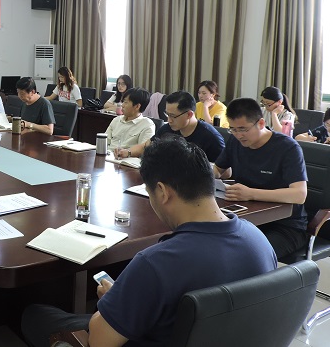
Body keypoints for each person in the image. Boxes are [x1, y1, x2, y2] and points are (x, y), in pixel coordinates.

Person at [20, 138, 277, 347]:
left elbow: (99, 342)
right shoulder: (259, 240)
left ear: (163, 192)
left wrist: (114, 301)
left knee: (34, 315)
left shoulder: (156, 263)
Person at [214, 98, 308, 259]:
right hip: (247, 219)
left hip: (285, 225)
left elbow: (299, 195)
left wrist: (251, 193)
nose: (238, 135)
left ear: (261, 123)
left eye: (243, 129)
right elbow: (217, 170)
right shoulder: (235, 142)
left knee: (244, 257)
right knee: (210, 245)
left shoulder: (287, 148)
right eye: (233, 129)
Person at [123, 91, 225, 161]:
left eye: (173, 116)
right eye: (167, 114)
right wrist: (127, 152)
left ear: (189, 114)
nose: (169, 120)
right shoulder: (167, 129)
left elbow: (225, 172)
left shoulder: (210, 137)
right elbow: (146, 146)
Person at [105, 87, 155, 155]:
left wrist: (127, 153)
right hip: (108, 155)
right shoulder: (116, 120)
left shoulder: (147, 125)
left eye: (126, 102)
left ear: (137, 106)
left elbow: (144, 150)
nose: (122, 105)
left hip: (127, 159)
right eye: (123, 102)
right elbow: (105, 141)